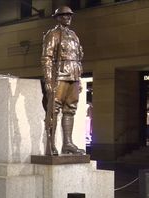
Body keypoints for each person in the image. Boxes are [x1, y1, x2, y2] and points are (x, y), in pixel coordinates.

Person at [41, 6, 85, 155]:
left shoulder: (74, 35)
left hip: (73, 76)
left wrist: (79, 78)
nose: (68, 17)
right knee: (53, 110)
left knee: (70, 110)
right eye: (64, 15)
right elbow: (46, 58)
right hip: (59, 76)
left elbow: (79, 58)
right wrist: (48, 79)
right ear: (58, 17)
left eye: (69, 15)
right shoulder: (53, 34)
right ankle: (50, 145)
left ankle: (67, 144)